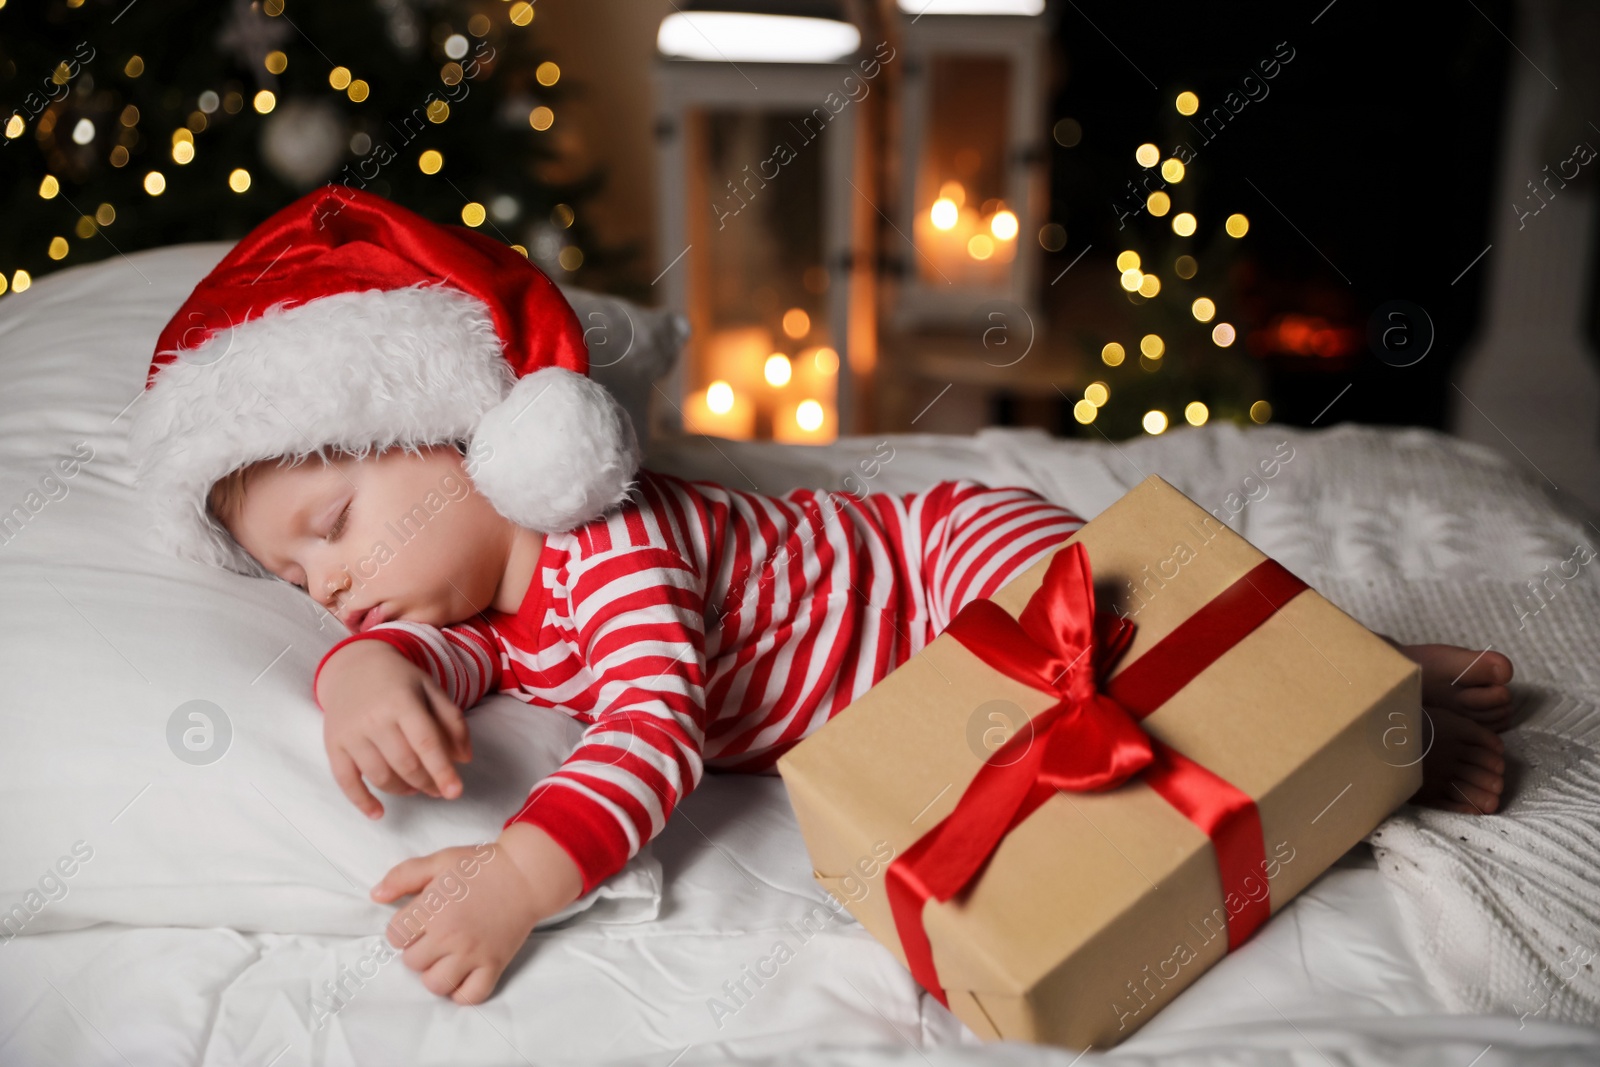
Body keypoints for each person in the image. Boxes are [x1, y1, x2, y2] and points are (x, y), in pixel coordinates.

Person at [132, 186, 1514, 1007]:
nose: (327, 585)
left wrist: (522, 878)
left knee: (1113, 665)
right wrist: (363, 675)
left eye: (332, 528)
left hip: (929, 566)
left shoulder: (606, 553)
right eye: (296, 577)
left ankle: (1360, 707)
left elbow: (652, 733)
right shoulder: (479, 614)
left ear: (480, 435)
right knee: (1063, 742)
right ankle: (1361, 687)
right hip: (915, 690)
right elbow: (447, 670)